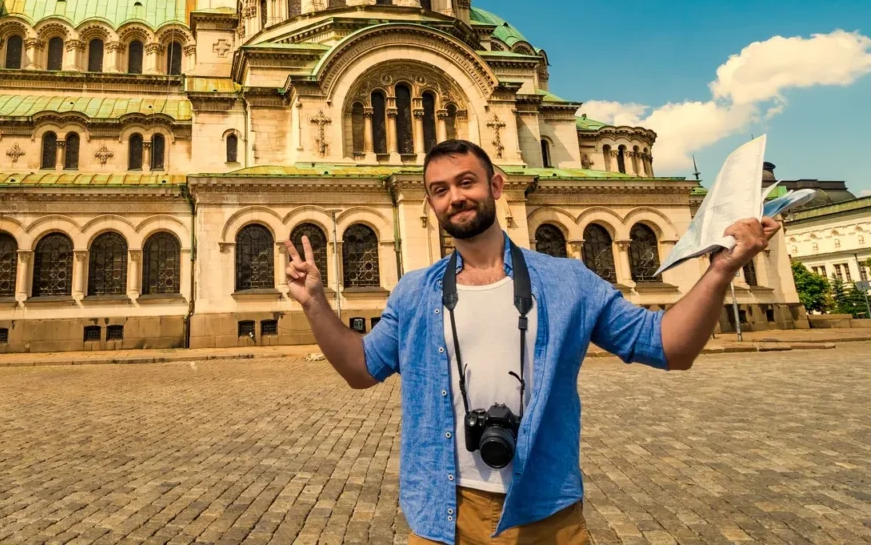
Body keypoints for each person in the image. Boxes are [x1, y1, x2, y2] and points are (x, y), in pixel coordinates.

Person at [285, 140, 779, 544]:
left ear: (497, 186)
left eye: (466, 182)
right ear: (429, 203)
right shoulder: (414, 292)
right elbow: (360, 369)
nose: (454, 197)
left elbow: (670, 347)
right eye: (439, 190)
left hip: (544, 512)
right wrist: (314, 303)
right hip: (441, 512)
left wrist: (721, 269)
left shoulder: (569, 282)